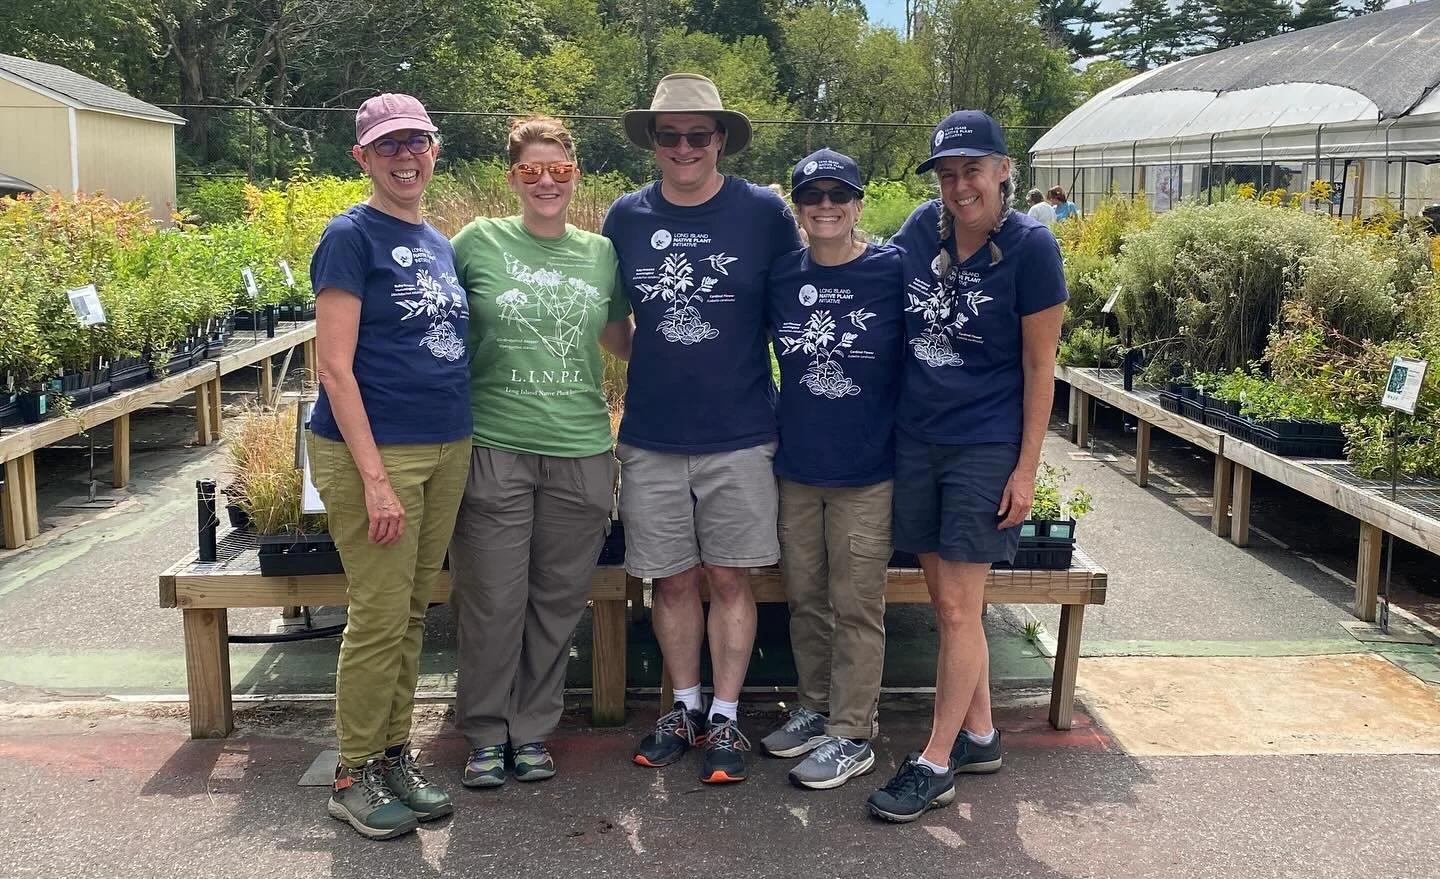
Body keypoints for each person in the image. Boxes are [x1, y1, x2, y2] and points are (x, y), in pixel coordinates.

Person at [865, 110, 1066, 823]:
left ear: (1004, 169)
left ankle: (935, 760)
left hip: (983, 443)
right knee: (950, 601)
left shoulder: (1031, 248)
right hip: (915, 436)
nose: (959, 186)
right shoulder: (923, 228)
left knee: (955, 606)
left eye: (972, 170)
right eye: (948, 174)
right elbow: (874, 278)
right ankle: (980, 734)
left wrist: (1026, 468)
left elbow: (1041, 366)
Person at [603, 73, 802, 783]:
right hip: (653, 432)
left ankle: (725, 714)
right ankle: (682, 706)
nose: (684, 147)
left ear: (720, 138)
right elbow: (611, 320)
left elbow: (792, 315)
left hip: (742, 431)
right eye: (670, 135)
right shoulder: (625, 217)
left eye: (698, 134)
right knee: (673, 579)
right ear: (653, 142)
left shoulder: (764, 213)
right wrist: (659, 351)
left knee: (729, 576)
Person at [448, 116, 632, 789]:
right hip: (496, 443)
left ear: (575, 175)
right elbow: (440, 330)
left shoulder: (600, 253)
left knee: (557, 600)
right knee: (492, 598)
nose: (547, 181)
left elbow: (618, 336)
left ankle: (531, 730)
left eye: (559, 170)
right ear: (513, 178)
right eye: (533, 170)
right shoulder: (477, 243)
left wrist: (698, 369)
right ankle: (485, 731)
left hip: (581, 448)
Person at [307, 93, 471, 840]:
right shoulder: (351, 236)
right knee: (376, 615)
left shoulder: (435, 238)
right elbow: (335, 369)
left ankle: (393, 753)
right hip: (377, 451)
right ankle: (352, 773)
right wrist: (375, 478)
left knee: (410, 611)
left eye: (418, 142)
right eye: (389, 146)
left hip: (445, 444)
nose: (406, 156)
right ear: (363, 158)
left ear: (434, 149)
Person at [760, 148, 905, 790]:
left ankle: (853, 731)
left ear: (858, 203)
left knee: (856, 604)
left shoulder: (892, 271)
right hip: (797, 468)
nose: (825, 206)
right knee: (806, 599)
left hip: (867, 471)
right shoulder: (782, 276)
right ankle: (815, 707)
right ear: (797, 208)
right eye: (812, 196)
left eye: (837, 194)